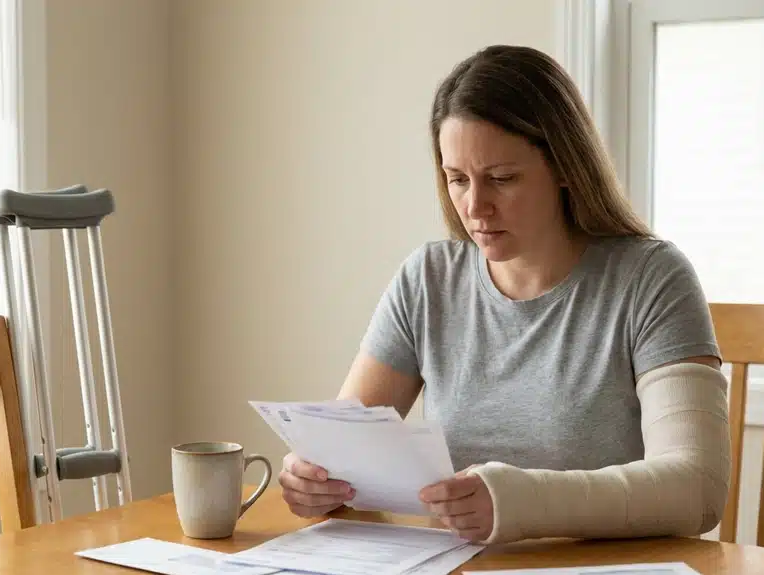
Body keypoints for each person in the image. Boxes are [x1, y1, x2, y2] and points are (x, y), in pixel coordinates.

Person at [277, 44, 731, 545]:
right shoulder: (428, 279)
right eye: (457, 180)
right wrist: (318, 481)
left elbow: (696, 489)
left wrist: (522, 502)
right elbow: (348, 450)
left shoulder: (652, 277)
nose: (476, 207)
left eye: (502, 178)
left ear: (564, 166)